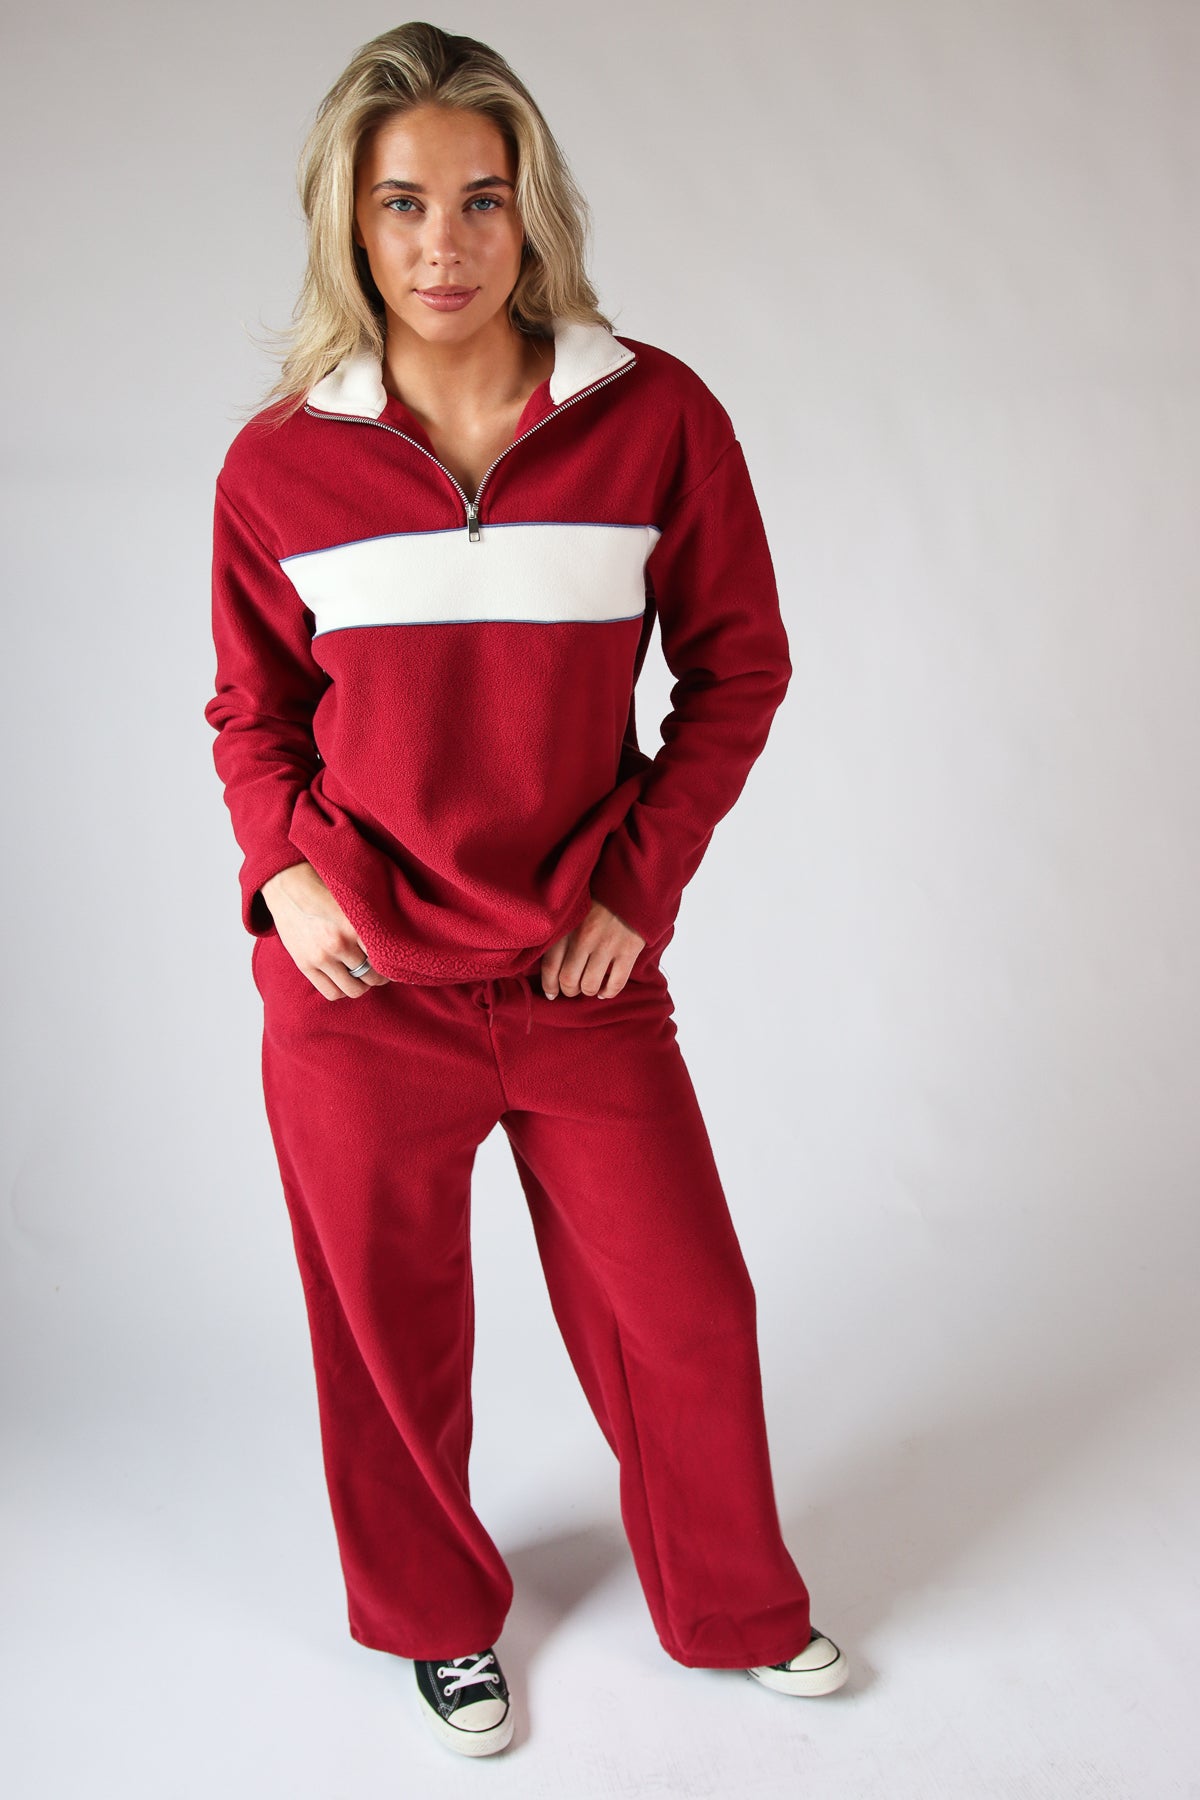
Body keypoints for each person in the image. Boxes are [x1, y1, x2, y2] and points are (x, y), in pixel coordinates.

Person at [204, 19, 848, 1759]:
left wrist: (638, 884)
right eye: (401, 203)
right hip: (357, 991)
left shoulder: (654, 417)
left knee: (684, 1306)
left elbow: (739, 665)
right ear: (347, 220)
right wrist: (281, 877)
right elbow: (252, 715)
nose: (444, 245)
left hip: (578, 975)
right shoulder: (280, 464)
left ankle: (732, 1604)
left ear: (530, 209)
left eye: (481, 200)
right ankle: (437, 1625)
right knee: (387, 1336)